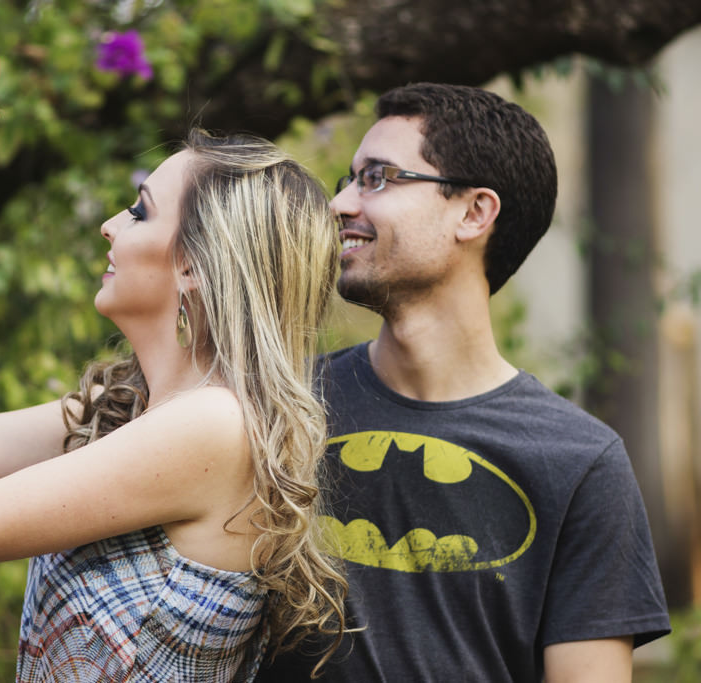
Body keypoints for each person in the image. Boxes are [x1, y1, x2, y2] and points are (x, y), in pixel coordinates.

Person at [0, 129, 347, 681]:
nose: (109, 224)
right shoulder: (123, 405)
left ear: (193, 267)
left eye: (139, 212)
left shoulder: (215, 425)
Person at [256, 83, 670, 682]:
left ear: (474, 213)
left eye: (377, 178)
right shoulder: (281, 403)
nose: (340, 203)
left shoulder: (579, 462)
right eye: (350, 179)